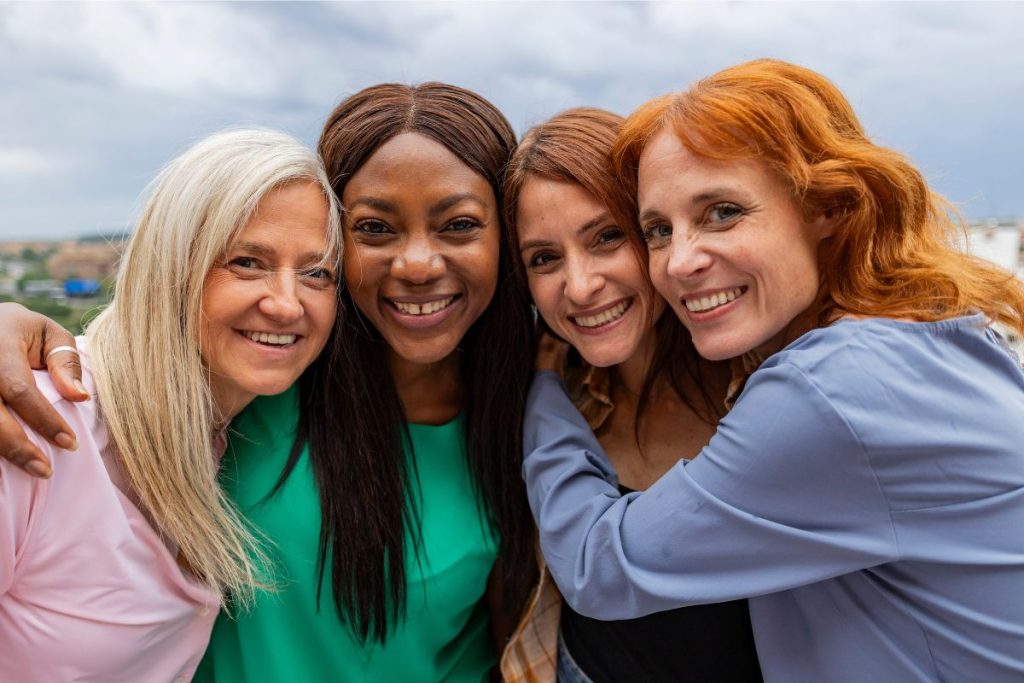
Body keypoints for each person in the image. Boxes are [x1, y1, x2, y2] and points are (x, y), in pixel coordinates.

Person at [0, 83, 536, 681]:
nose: (416, 264)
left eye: (459, 224)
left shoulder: (535, 417)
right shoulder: (252, 389)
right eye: (375, 229)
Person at [522, 59, 1024, 681]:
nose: (679, 262)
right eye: (657, 229)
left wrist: (541, 391)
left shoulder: (834, 388)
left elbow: (601, 568)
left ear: (829, 208)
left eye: (722, 212)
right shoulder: (923, 334)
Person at [0, 127, 340, 681]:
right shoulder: (35, 426)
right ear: (170, 268)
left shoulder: (232, 431)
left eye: (316, 272)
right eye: (247, 262)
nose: (286, 303)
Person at [501, 107, 761, 682]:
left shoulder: (764, 394)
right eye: (543, 258)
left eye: (607, 237)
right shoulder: (550, 399)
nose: (580, 285)